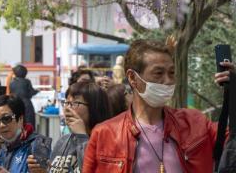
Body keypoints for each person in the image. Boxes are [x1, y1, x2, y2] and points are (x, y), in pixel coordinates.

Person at [82, 39, 234, 173]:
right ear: (133, 78)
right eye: (158, 73)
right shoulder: (104, 134)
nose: (168, 81)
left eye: (172, 72)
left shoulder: (196, 123)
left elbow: (233, 143)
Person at [47, 82, 110, 173]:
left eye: (75, 103)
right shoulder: (63, 140)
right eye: (67, 102)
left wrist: (82, 137)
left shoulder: (107, 141)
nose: (67, 108)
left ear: (94, 107)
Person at [0, 95, 52, 173]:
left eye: (6, 118)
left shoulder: (39, 145)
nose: (1, 125)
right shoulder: (4, 147)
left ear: (20, 119)